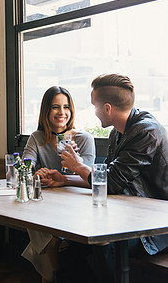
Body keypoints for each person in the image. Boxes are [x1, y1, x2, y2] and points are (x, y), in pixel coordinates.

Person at [41, 74, 168, 282]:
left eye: (95, 107)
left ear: (107, 108)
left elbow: (112, 183)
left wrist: (78, 166)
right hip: (129, 217)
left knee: (103, 247)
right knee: (71, 249)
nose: (94, 112)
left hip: (155, 227)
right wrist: (65, 180)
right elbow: (106, 178)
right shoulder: (118, 132)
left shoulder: (146, 131)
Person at [21, 86, 96, 282]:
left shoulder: (84, 139)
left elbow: (88, 179)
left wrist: (75, 159)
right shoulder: (37, 137)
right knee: (41, 226)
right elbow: (25, 167)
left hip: (76, 205)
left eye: (66, 107)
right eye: (55, 107)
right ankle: (56, 276)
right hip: (47, 203)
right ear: (46, 110)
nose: (62, 113)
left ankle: (52, 277)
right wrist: (36, 173)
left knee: (47, 236)